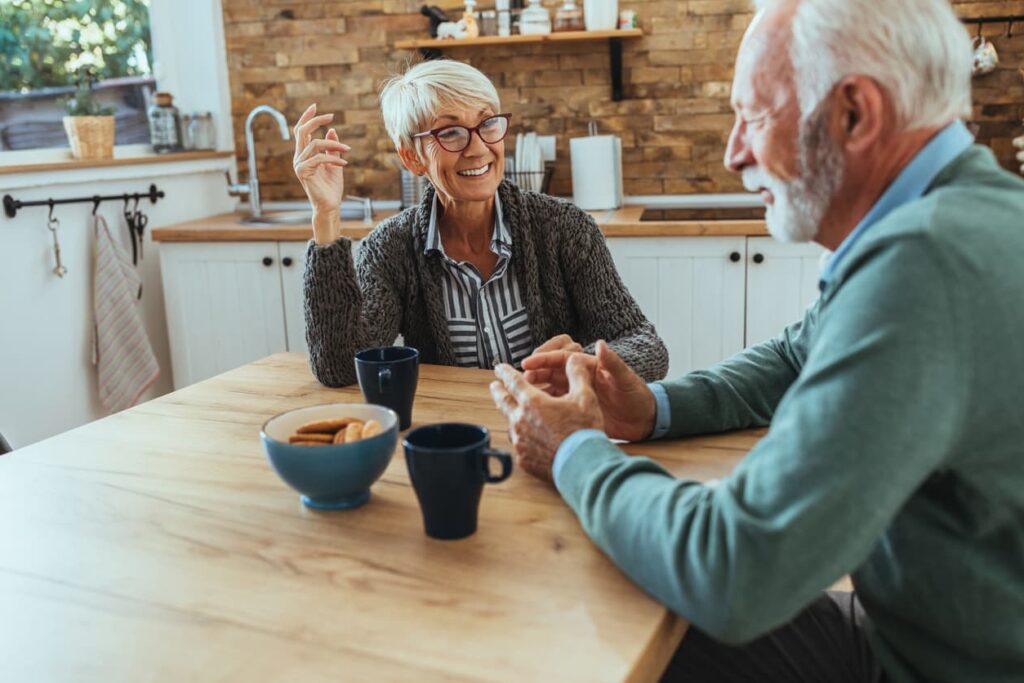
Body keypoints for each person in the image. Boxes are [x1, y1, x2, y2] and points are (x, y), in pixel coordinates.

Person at [489, 0, 1024, 680]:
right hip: (924, 633)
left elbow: (730, 567)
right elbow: (797, 353)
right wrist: (648, 408)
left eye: (755, 116)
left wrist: (574, 449)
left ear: (854, 112)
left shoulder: (922, 263)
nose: (734, 151)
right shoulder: (965, 208)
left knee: (606, 614)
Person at [292, 59, 667, 387]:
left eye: (487, 123)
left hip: (556, 428)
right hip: (453, 438)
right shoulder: (391, 248)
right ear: (412, 158)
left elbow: (644, 344)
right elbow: (340, 368)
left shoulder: (563, 228)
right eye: (450, 132)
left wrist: (583, 366)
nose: (478, 147)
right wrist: (326, 216)